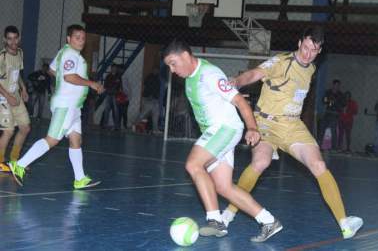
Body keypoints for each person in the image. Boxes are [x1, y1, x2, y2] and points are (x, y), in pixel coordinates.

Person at [221, 27, 363, 240]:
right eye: (305, 47)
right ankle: (227, 216)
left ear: (319, 51)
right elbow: (254, 74)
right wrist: (237, 81)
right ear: (299, 43)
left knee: (319, 166)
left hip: (292, 126)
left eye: (313, 50)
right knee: (260, 163)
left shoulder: (312, 69)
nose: (307, 54)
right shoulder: (281, 62)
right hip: (266, 124)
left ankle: (345, 224)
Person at [163, 40, 282, 242]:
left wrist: (253, 127)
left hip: (225, 129)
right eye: (169, 66)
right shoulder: (190, 78)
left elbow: (240, 101)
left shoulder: (209, 74)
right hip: (217, 132)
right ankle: (268, 221)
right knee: (224, 187)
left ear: (185, 55)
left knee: (193, 164)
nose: (172, 70)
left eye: (173, 63)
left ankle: (215, 221)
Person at [8, 24, 104, 189]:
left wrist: (63, 76)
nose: (81, 41)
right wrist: (92, 84)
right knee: (52, 139)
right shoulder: (70, 54)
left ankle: (80, 179)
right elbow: (69, 77)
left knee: (76, 140)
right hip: (66, 105)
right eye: (77, 37)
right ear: (69, 39)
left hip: (74, 107)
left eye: (83, 38)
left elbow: (52, 70)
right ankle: (20, 165)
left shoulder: (65, 53)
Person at [0, 25, 31, 172]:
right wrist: (7, 96)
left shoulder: (20, 52)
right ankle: (0, 162)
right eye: (9, 39)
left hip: (16, 97)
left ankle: (13, 160)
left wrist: (23, 89)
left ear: (19, 38)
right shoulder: (2, 57)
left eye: (15, 38)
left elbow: (17, 74)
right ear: (5, 40)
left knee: (25, 128)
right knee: (8, 131)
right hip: (3, 99)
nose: (13, 42)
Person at [318, 79, 345, 151]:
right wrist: (329, 101)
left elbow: (343, 104)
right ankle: (319, 145)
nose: (336, 87)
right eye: (335, 85)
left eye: (338, 86)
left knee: (333, 131)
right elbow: (324, 100)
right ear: (333, 85)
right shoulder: (328, 92)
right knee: (322, 129)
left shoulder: (340, 94)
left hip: (335, 114)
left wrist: (335, 102)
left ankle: (334, 147)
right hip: (327, 112)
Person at [133, 68, 161, 134]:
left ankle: (155, 129)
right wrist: (149, 95)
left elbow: (156, 89)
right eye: (155, 70)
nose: (156, 71)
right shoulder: (150, 77)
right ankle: (134, 124)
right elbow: (148, 87)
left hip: (154, 98)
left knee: (156, 114)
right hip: (148, 98)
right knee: (144, 113)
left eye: (157, 70)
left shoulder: (157, 78)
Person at [101, 63, 121, 130]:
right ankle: (105, 125)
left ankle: (117, 126)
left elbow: (119, 86)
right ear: (111, 68)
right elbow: (106, 85)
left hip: (115, 94)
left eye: (115, 68)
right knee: (107, 110)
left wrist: (115, 86)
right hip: (109, 94)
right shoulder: (108, 76)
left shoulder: (118, 76)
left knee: (116, 111)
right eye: (113, 68)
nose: (114, 69)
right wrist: (114, 84)